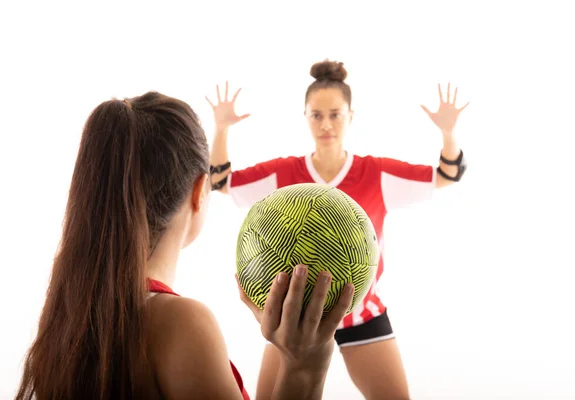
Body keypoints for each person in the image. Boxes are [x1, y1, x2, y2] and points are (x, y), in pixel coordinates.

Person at [15, 91, 355, 400]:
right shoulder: (181, 323)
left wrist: (290, 360)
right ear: (200, 191)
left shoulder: (69, 313)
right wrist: (306, 367)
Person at [207, 60, 469, 400]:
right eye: (316, 115)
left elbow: (447, 175)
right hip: (293, 320)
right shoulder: (284, 174)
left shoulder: (375, 173)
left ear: (350, 116)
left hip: (361, 313)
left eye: (335, 114)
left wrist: (448, 133)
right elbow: (220, 181)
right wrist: (222, 128)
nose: (326, 124)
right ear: (305, 117)